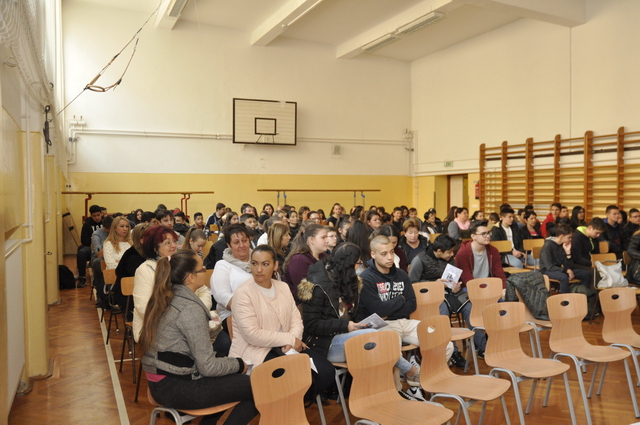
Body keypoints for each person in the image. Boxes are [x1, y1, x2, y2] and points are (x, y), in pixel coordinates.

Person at [139, 251, 258, 425]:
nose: (205, 271)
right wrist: (238, 364)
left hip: (160, 383)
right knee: (258, 386)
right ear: (191, 277)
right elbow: (208, 367)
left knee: (229, 377)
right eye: (202, 269)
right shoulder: (189, 308)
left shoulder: (168, 296)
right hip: (176, 387)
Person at [298, 242, 425, 397]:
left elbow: (355, 313)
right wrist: (346, 325)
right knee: (377, 342)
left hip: (346, 334)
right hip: (324, 343)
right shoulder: (318, 285)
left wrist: (363, 323)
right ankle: (407, 373)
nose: (359, 267)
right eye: (358, 263)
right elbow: (311, 325)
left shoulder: (348, 280)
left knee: (380, 339)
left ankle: (388, 392)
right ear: (349, 264)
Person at [229, 245, 334, 400]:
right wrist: (290, 339)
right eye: (254, 263)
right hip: (257, 350)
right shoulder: (243, 293)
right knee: (293, 378)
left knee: (326, 372)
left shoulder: (283, 287)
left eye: (265, 264)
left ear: (275, 265)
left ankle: (292, 404)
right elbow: (252, 335)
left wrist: (293, 340)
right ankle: (284, 406)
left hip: (286, 347)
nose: (259, 269)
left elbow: (296, 320)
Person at [360, 235, 453, 400]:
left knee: (445, 344)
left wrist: (392, 307)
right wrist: (400, 300)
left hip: (405, 321)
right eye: (384, 254)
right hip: (383, 325)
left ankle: (418, 382)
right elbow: (377, 310)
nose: (390, 257)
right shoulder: (367, 278)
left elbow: (412, 304)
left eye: (391, 252)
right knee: (392, 353)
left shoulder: (401, 274)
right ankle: (397, 394)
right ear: (373, 254)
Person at [408, 234, 468, 369]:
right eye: (449, 252)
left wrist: (455, 286)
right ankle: (451, 350)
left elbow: (453, 279)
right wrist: (434, 284)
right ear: (439, 251)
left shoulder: (449, 259)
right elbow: (412, 284)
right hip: (428, 297)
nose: (452, 255)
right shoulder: (420, 260)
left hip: (448, 293)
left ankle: (481, 347)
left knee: (469, 305)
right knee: (442, 309)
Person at [454, 220, 506, 358]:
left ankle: (497, 341)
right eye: (483, 234)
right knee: (473, 310)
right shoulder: (463, 253)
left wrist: (503, 289)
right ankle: (482, 346)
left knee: (503, 307)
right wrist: (485, 293)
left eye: (488, 233)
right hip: (469, 289)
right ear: (473, 236)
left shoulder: (493, 251)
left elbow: (499, 273)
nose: (487, 236)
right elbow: (468, 280)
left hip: (489, 289)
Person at [540, 223, 591, 293]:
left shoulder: (563, 245)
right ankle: (565, 299)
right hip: (546, 270)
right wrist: (566, 270)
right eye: (569, 237)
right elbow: (549, 266)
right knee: (563, 277)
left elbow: (569, 266)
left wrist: (568, 253)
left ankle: (582, 295)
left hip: (559, 269)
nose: (571, 240)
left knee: (586, 274)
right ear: (561, 236)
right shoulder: (548, 246)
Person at [282, 224, 327, 299]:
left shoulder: (325, 257)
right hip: (304, 304)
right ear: (311, 240)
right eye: (323, 237)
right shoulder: (299, 260)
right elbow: (303, 292)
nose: (327, 241)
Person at [113, 223, 148, 315]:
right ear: (142, 240)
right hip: (129, 299)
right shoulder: (133, 257)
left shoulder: (145, 253)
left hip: (140, 295)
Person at [571, 218, 605, 283]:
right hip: (577, 264)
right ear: (590, 228)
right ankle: (595, 289)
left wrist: (597, 263)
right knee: (594, 272)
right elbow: (577, 258)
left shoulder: (594, 238)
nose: (598, 235)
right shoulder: (577, 238)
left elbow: (596, 253)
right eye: (597, 233)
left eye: (600, 233)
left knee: (606, 270)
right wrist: (590, 264)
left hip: (590, 263)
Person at [77, 204, 103, 287]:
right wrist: (94, 239)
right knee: (81, 252)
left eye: (98, 215)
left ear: (101, 214)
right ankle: (82, 278)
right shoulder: (87, 225)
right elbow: (84, 240)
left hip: (104, 247)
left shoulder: (105, 223)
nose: (97, 218)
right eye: (94, 216)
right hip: (91, 247)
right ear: (91, 216)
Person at [90, 216, 112, 307]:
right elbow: (99, 254)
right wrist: (110, 241)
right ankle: (101, 296)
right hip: (99, 258)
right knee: (99, 264)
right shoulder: (97, 235)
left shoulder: (117, 233)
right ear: (105, 228)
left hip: (114, 257)